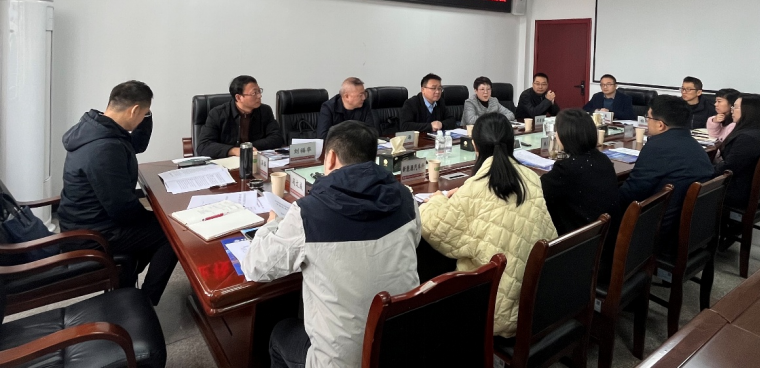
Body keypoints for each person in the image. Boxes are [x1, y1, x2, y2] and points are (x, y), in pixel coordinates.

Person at [242, 121, 420, 368]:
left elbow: (255, 267)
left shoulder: (309, 212)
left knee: (280, 332)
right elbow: (415, 239)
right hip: (400, 345)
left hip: (341, 362)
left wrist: (271, 225)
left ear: (331, 158)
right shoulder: (406, 197)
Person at [419, 113, 556, 338]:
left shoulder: (477, 187)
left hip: (496, 309)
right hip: (538, 297)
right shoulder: (531, 177)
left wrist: (437, 199)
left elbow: (433, 226)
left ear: (475, 146)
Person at [57, 81, 177, 306]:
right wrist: (156, 218)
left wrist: (147, 115)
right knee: (172, 232)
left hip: (84, 220)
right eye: (143, 113)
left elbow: (137, 144)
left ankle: (126, 280)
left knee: (159, 223)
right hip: (93, 234)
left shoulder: (97, 127)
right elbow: (122, 209)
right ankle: (145, 301)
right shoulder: (104, 148)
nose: (143, 118)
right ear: (134, 110)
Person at [617, 95, 713, 249]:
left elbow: (632, 192)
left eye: (648, 117)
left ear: (660, 125)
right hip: (695, 225)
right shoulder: (694, 145)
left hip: (661, 230)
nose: (647, 122)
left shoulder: (658, 147)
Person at [540, 109, 620, 235]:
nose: (556, 134)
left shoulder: (566, 169)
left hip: (580, 241)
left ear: (566, 136)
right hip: (606, 235)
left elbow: (538, 190)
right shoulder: (603, 159)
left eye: (557, 131)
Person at [714, 94, 760, 208]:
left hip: (738, 191)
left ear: (749, 111)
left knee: (693, 185)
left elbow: (728, 169)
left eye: (736, 107)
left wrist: (707, 169)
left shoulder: (747, 138)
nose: (732, 110)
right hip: (751, 187)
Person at [197, 75, 284, 158]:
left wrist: (247, 147)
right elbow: (203, 145)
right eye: (254, 93)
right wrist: (234, 150)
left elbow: (277, 138)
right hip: (227, 162)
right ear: (238, 97)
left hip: (255, 159)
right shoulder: (217, 114)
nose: (259, 96)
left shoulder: (265, 111)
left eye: (259, 91)